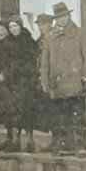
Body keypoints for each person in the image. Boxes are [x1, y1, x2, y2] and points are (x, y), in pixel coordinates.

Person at [40, 2, 86, 157]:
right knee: (60, 117)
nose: (61, 19)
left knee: (77, 116)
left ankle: (80, 146)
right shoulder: (50, 37)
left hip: (76, 83)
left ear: (69, 16)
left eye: (64, 16)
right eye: (58, 17)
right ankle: (64, 146)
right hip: (57, 85)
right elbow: (45, 62)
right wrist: (45, 82)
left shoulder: (80, 33)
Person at [8, 14, 39, 153]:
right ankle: (15, 140)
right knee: (14, 111)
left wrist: (23, 69)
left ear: (20, 26)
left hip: (26, 81)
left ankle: (29, 140)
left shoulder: (28, 40)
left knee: (27, 109)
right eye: (10, 27)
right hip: (12, 82)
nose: (13, 29)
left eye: (15, 26)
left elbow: (33, 59)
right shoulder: (8, 42)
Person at [0, 20, 19, 152]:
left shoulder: (12, 44)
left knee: (12, 111)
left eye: (2, 30)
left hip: (11, 83)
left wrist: (5, 74)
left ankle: (15, 141)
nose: (0, 33)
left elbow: (15, 63)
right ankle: (9, 138)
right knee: (5, 112)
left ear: (7, 31)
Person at [34, 13, 57, 152]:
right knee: (47, 111)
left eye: (43, 24)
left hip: (54, 79)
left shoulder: (55, 38)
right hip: (43, 79)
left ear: (50, 24)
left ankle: (58, 141)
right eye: (39, 24)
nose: (41, 27)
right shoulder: (40, 40)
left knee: (56, 111)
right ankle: (54, 141)